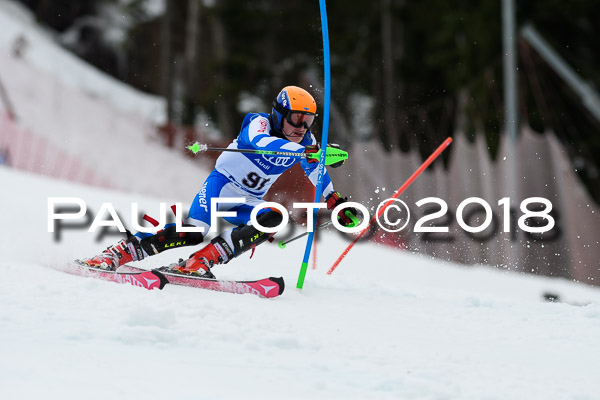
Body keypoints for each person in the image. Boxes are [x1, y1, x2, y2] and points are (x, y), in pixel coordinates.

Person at [81, 86, 358, 278]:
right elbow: (262, 145)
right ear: (278, 114)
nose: (301, 127)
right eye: (296, 118)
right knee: (193, 232)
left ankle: (201, 261)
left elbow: (316, 172)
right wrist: (307, 151)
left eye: (307, 120)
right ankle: (120, 253)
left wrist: (334, 202)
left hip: (249, 199)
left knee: (274, 218)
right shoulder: (258, 123)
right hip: (222, 187)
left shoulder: (305, 141)